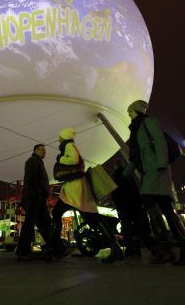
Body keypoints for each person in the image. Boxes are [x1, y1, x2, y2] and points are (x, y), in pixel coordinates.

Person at [48, 128, 124, 263]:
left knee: (58, 213)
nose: (58, 139)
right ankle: (115, 247)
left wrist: (60, 159)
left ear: (64, 137)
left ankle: (55, 248)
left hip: (74, 190)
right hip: (76, 189)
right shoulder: (69, 146)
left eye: (60, 137)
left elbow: (73, 160)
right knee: (91, 218)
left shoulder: (68, 146)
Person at [124, 99, 185, 265]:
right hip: (149, 172)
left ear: (136, 110)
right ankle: (172, 249)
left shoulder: (148, 122)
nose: (128, 114)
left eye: (130, 111)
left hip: (157, 171)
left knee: (148, 201)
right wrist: (124, 174)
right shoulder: (136, 128)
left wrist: (160, 164)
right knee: (165, 208)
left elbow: (160, 141)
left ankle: (164, 250)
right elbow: (136, 157)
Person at [15, 144, 51, 260]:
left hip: (37, 197)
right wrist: (38, 192)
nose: (44, 151)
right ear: (35, 151)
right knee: (31, 223)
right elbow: (31, 179)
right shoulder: (33, 161)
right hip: (35, 197)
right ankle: (23, 251)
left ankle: (54, 246)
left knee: (44, 222)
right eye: (41, 149)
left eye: (45, 150)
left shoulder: (37, 161)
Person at [111, 158, 151, 256]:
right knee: (138, 227)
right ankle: (150, 245)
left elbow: (115, 192)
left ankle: (130, 250)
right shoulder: (129, 175)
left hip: (124, 207)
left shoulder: (116, 175)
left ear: (115, 166)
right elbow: (136, 191)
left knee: (127, 228)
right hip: (134, 206)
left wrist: (116, 203)